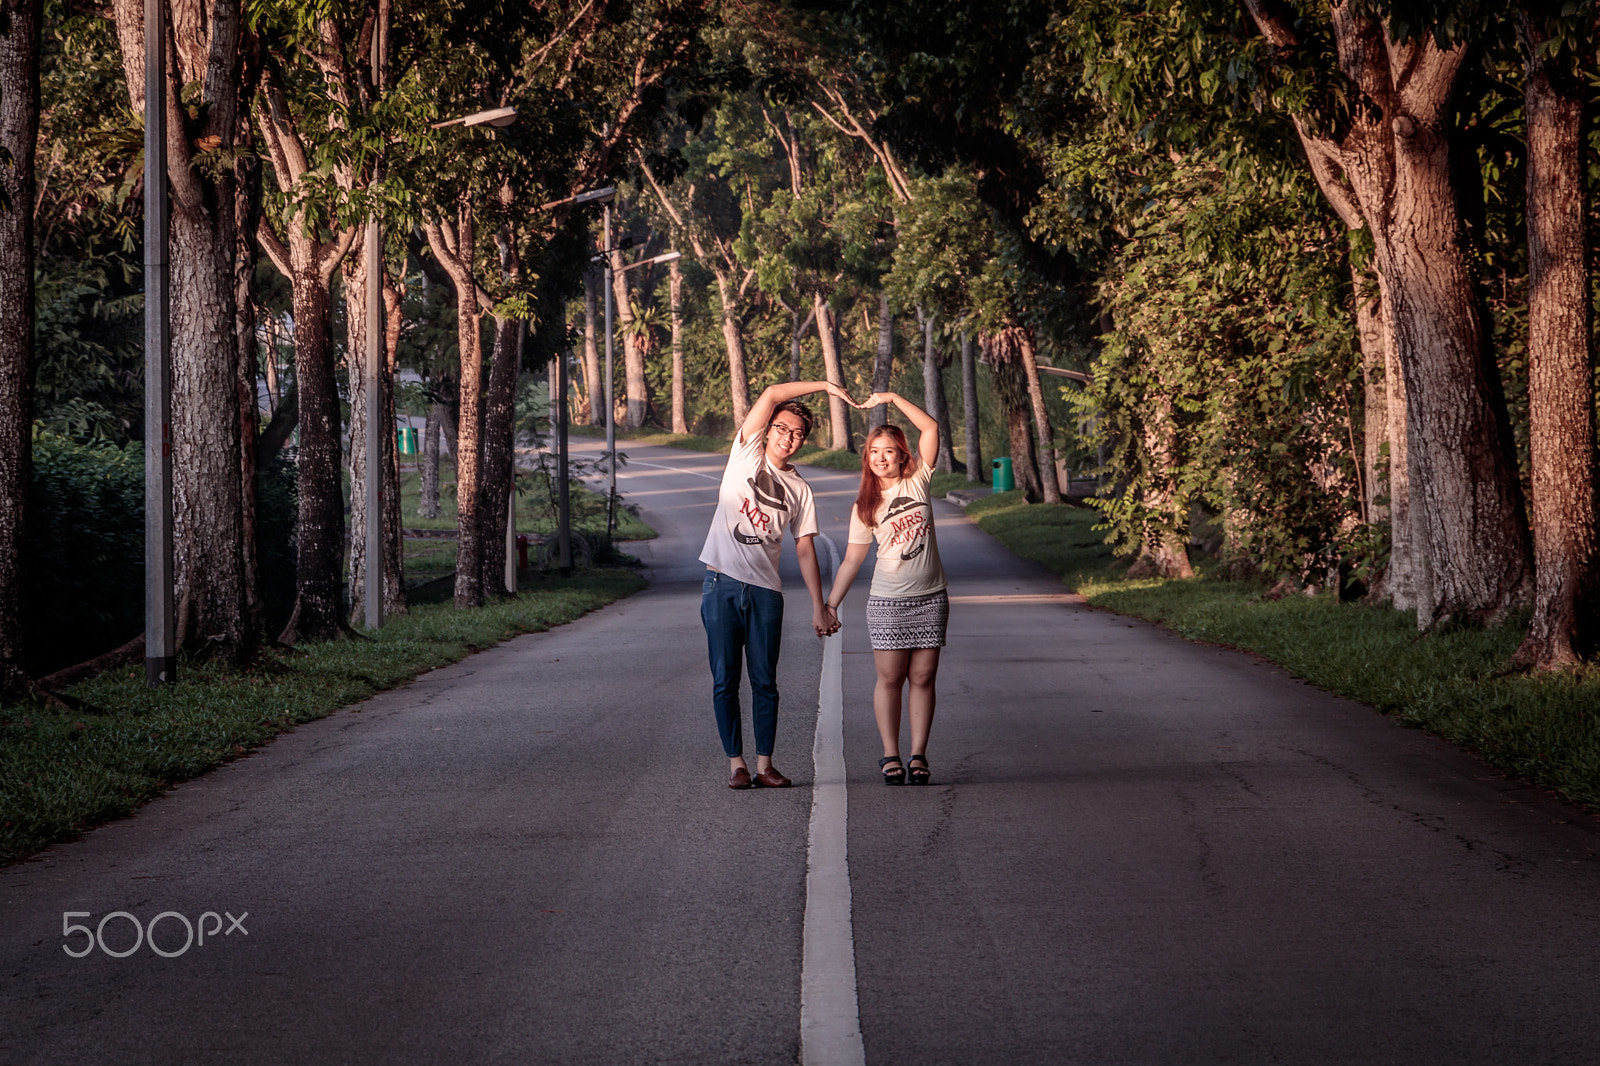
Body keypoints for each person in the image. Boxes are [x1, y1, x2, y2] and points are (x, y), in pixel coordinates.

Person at [701, 379, 855, 790]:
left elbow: (805, 548)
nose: (789, 438)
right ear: (768, 430)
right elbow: (770, 393)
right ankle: (736, 764)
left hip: (767, 593)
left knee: (765, 681)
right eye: (783, 429)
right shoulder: (745, 454)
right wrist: (825, 386)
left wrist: (819, 606)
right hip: (722, 584)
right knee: (725, 678)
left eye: (798, 434)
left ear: (804, 442)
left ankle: (765, 765)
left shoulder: (800, 489)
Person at [822, 392, 947, 786]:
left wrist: (892, 397)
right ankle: (891, 753)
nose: (881, 457)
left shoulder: (919, 480)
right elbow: (851, 561)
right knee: (891, 679)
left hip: (931, 597)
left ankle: (919, 754)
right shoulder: (866, 506)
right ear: (867, 457)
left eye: (889, 451)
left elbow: (930, 427)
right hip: (888, 601)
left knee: (924, 678)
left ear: (902, 456)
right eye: (874, 451)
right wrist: (830, 605)